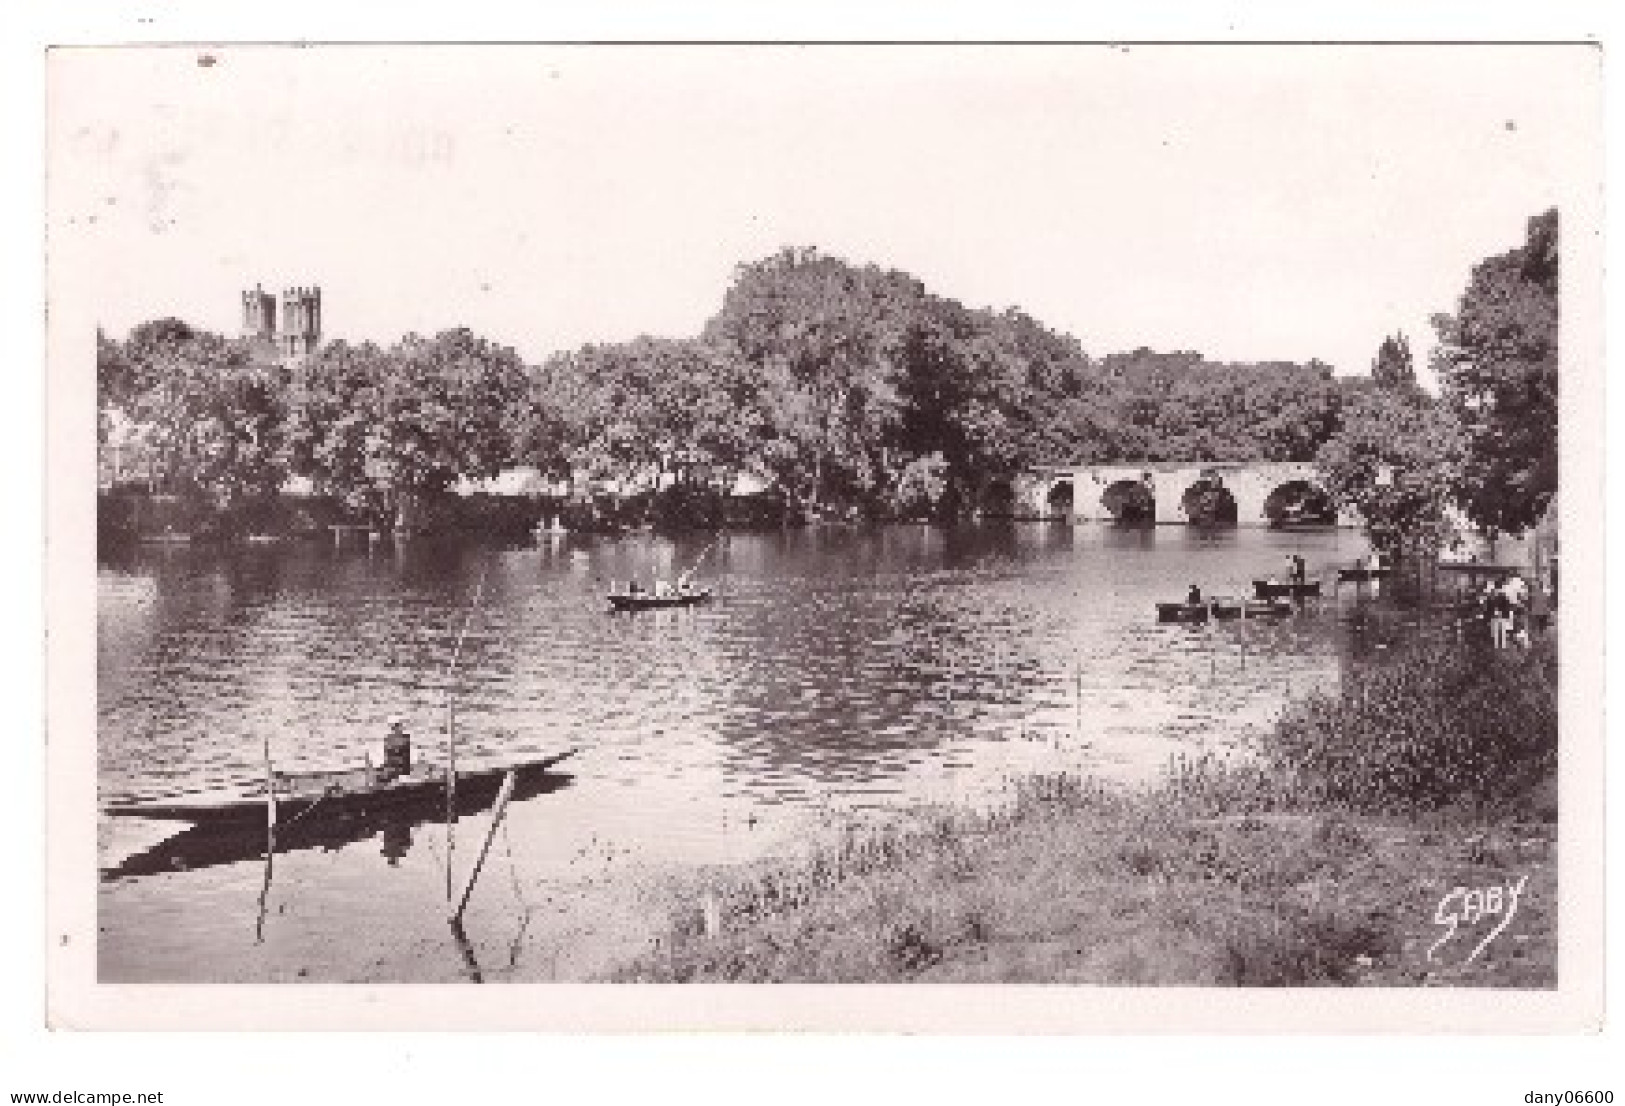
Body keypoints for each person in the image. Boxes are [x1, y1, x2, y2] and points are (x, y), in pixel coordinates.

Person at [379, 715, 412, 783]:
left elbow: (406, 757)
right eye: (398, 726)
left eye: (400, 726)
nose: (400, 728)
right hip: (394, 766)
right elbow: (388, 756)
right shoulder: (389, 739)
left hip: (401, 767)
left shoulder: (405, 738)